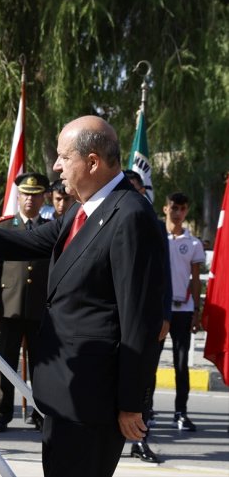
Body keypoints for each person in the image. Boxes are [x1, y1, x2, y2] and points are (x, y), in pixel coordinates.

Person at [0, 115, 166, 477]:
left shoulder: (130, 215)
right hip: (63, 391)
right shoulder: (84, 210)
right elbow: (25, 241)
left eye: (63, 157)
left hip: (94, 400)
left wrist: (132, 404)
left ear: (92, 162)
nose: (56, 167)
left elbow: (139, 322)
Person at [0, 172, 50, 432]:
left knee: (41, 366)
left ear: (43, 197)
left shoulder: (49, 228)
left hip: (40, 307)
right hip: (7, 305)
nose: (30, 200)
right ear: (18, 196)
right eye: (25, 195)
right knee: (4, 363)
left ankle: (41, 413)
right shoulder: (4, 227)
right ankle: (1, 413)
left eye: (35, 195)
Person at [124, 169, 172, 463]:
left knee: (144, 384)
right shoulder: (103, 221)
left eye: (136, 189)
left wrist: (164, 314)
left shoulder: (154, 225)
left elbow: (163, 275)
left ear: (143, 192)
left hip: (147, 320)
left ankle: (140, 440)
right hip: (113, 320)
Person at [163, 191, 205, 432]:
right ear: (166, 208)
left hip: (182, 309)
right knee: (148, 364)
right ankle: (147, 412)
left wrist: (196, 311)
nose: (178, 213)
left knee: (181, 364)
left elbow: (196, 279)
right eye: (174, 207)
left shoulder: (193, 243)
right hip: (160, 310)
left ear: (186, 211)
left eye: (182, 208)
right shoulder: (158, 238)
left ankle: (180, 412)